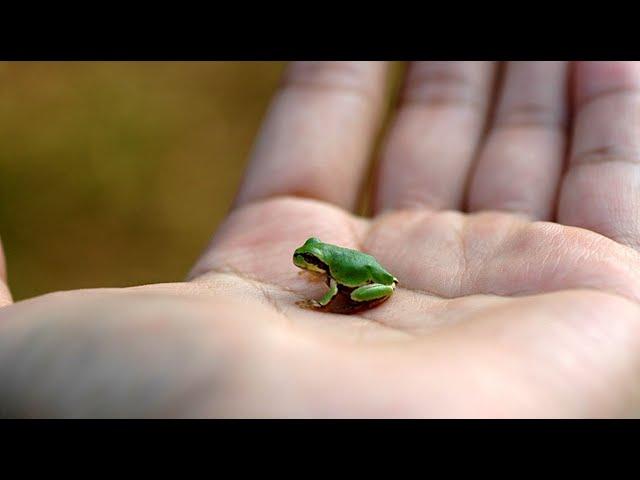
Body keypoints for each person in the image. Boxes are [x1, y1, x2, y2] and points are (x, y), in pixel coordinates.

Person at [1, 61, 640, 418]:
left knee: (357, 282)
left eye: (307, 259)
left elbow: (340, 278)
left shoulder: (331, 273)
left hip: (373, 277)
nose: (303, 262)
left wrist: (324, 297)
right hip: (367, 270)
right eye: (308, 257)